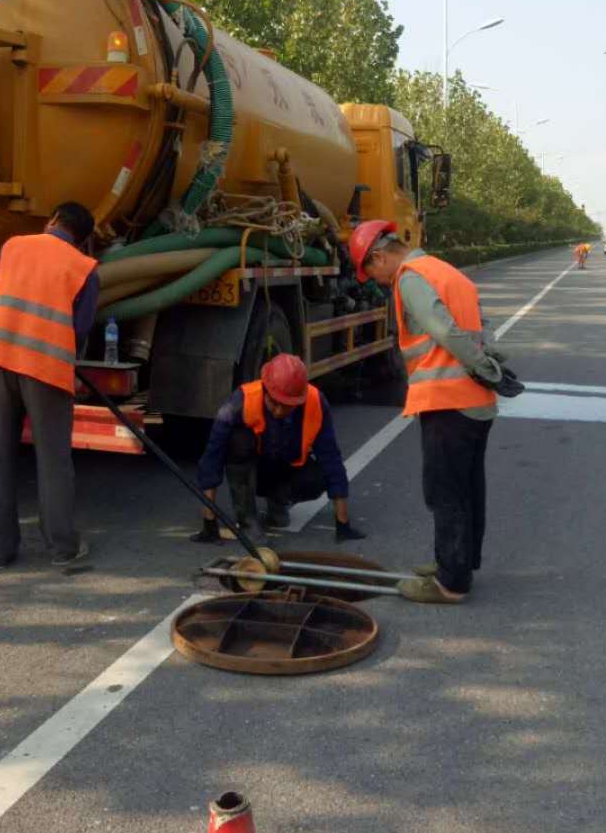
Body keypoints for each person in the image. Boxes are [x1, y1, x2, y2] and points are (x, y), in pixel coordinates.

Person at [349, 221, 522, 604]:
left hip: (447, 400)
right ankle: (459, 564)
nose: (375, 280)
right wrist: (491, 364)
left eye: (371, 271)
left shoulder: (411, 279)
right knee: (469, 488)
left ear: (379, 256)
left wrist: (483, 366)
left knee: (444, 492)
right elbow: (482, 324)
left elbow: (444, 331)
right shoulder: (446, 271)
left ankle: (450, 584)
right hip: (475, 401)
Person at [0, 201, 100, 570]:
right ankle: (62, 547)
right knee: (53, 461)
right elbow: (79, 329)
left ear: (53, 219)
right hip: (45, 369)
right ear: (83, 239)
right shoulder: (84, 268)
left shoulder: (11, 246)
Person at [190, 353, 364, 544]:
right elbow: (211, 459)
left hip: (285, 467)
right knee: (237, 440)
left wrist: (343, 524)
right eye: (274, 402)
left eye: (287, 406)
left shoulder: (315, 402)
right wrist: (209, 523)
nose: (279, 411)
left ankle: (277, 507)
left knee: (319, 476)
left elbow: (332, 459)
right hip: (255, 471)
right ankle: (248, 522)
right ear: (265, 389)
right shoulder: (241, 401)